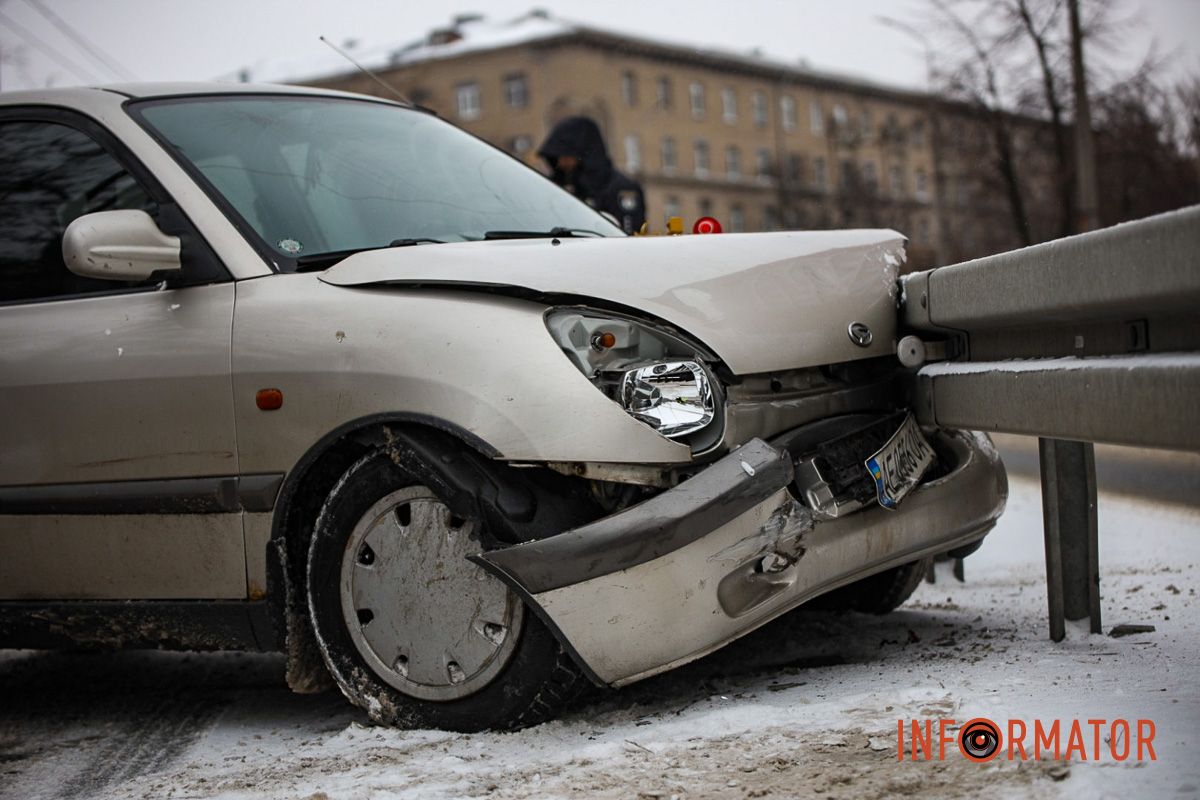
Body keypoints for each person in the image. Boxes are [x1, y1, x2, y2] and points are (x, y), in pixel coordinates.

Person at [538, 116, 646, 234]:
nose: (561, 163)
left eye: (565, 156)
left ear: (581, 154)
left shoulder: (622, 189)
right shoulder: (568, 188)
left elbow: (629, 235)